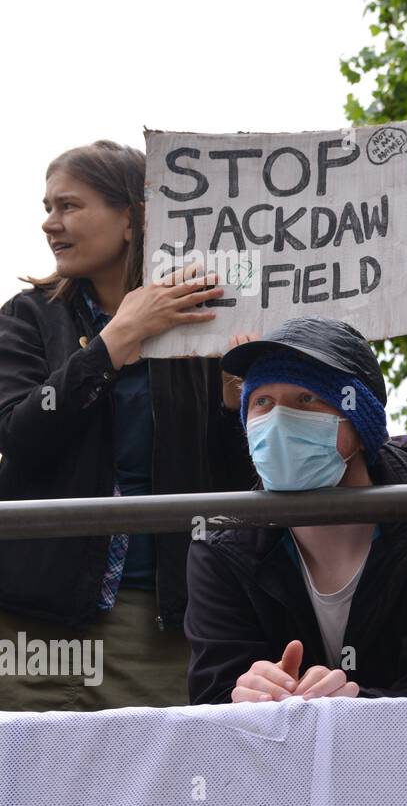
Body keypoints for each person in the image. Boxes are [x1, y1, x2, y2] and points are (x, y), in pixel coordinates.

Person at [0, 140, 255, 712]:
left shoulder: (207, 326)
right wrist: (114, 344)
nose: (49, 223)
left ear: (131, 218)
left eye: (68, 206)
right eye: (47, 206)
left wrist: (234, 408)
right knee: (23, 796)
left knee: (151, 795)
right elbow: (19, 435)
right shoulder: (28, 317)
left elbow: (239, 481)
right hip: (30, 621)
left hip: (161, 621)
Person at [184, 317, 407, 704]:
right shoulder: (218, 547)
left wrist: (352, 709)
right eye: (262, 403)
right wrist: (242, 700)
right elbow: (212, 700)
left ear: (360, 427)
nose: (278, 421)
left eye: (307, 399)